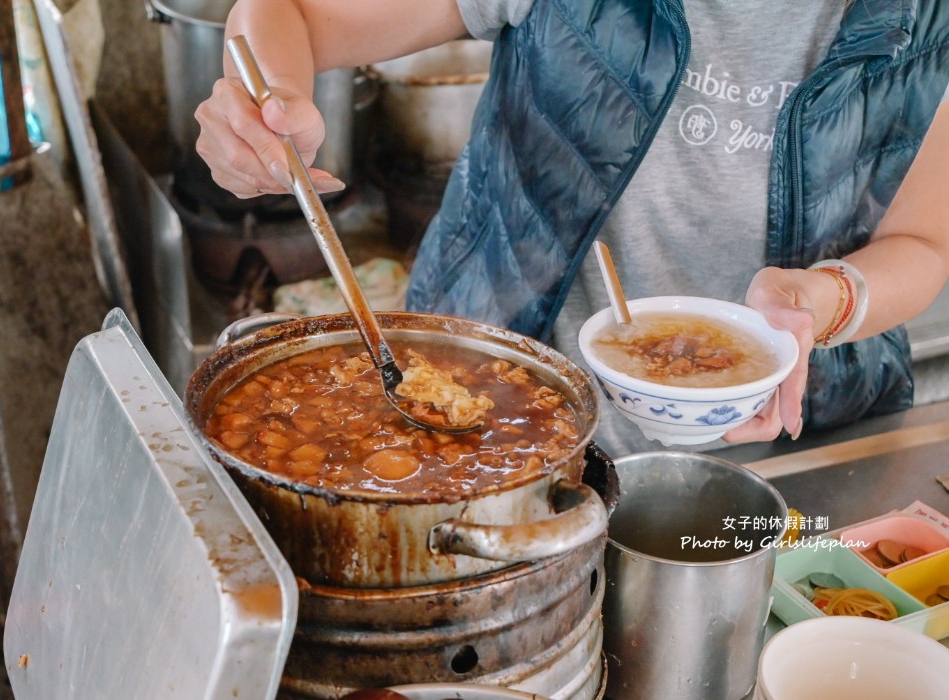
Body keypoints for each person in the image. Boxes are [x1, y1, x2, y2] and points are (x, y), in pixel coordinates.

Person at [195, 0, 949, 456]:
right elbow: (287, 12)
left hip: (794, 447)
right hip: (492, 418)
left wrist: (823, 301)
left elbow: (922, 245)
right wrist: (267, 105)